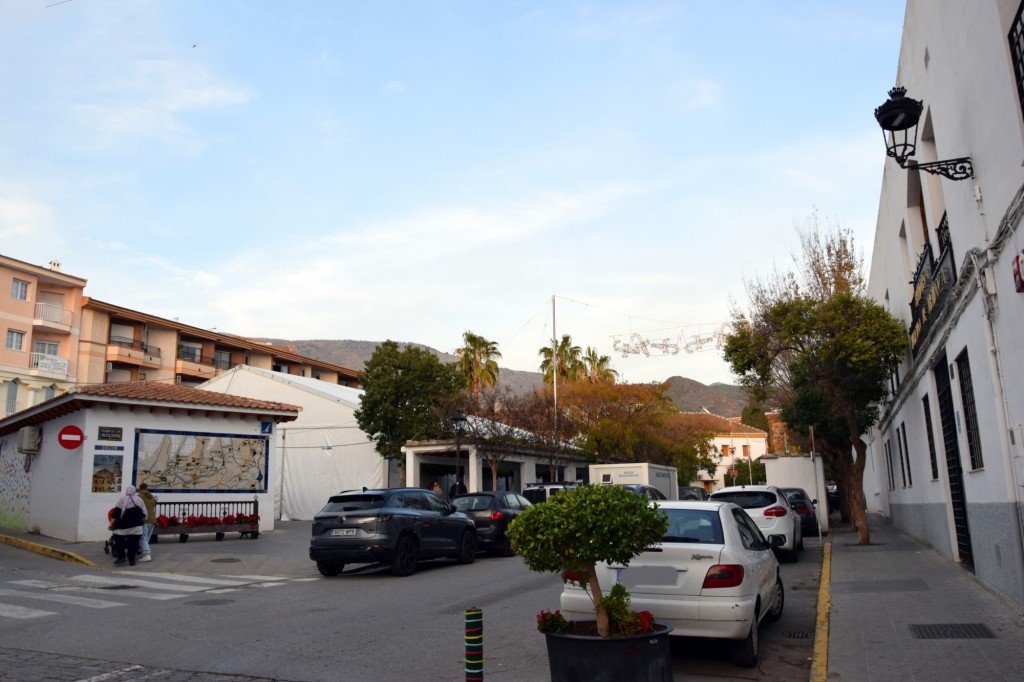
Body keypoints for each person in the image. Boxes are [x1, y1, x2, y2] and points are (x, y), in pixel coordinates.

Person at [110, 485, 148, 566]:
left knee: (118, 541)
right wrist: (143, 522)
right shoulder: (139, 499)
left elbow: (116, 514)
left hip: (122, 526)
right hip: (136, 526)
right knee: (133, 544)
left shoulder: (122, 500)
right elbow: (144, 513)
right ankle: (132, 561)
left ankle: (121, 557)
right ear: (134, 491)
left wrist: (111, 524)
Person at [137, 483, 158, 563]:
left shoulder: (139, 496)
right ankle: (143, 551)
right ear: (146, 488)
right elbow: (154, 504)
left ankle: (146, 554)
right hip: (152, 518)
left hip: (144, 518)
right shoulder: (151, 496)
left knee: (143, 537)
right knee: (147, 537)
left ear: (140, 488)